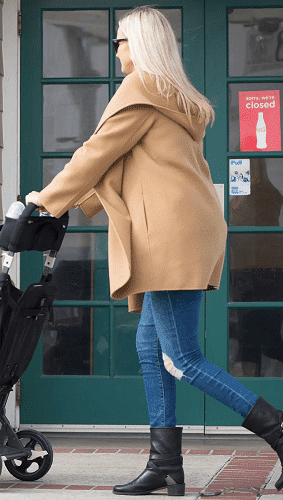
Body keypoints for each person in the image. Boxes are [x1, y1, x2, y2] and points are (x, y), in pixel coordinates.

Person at [26, 6, 283, 497]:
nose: (117, 48)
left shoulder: (142, 87)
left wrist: (44, 199)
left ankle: (278, 431)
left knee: (183, 358)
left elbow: (96, 152)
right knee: (151, 348)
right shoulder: (170, 95)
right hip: (185, 230)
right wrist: (75, 199)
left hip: (170, 235)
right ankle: (165, 464)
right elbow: (123, 164)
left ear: (139, 46)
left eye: (121, 40)